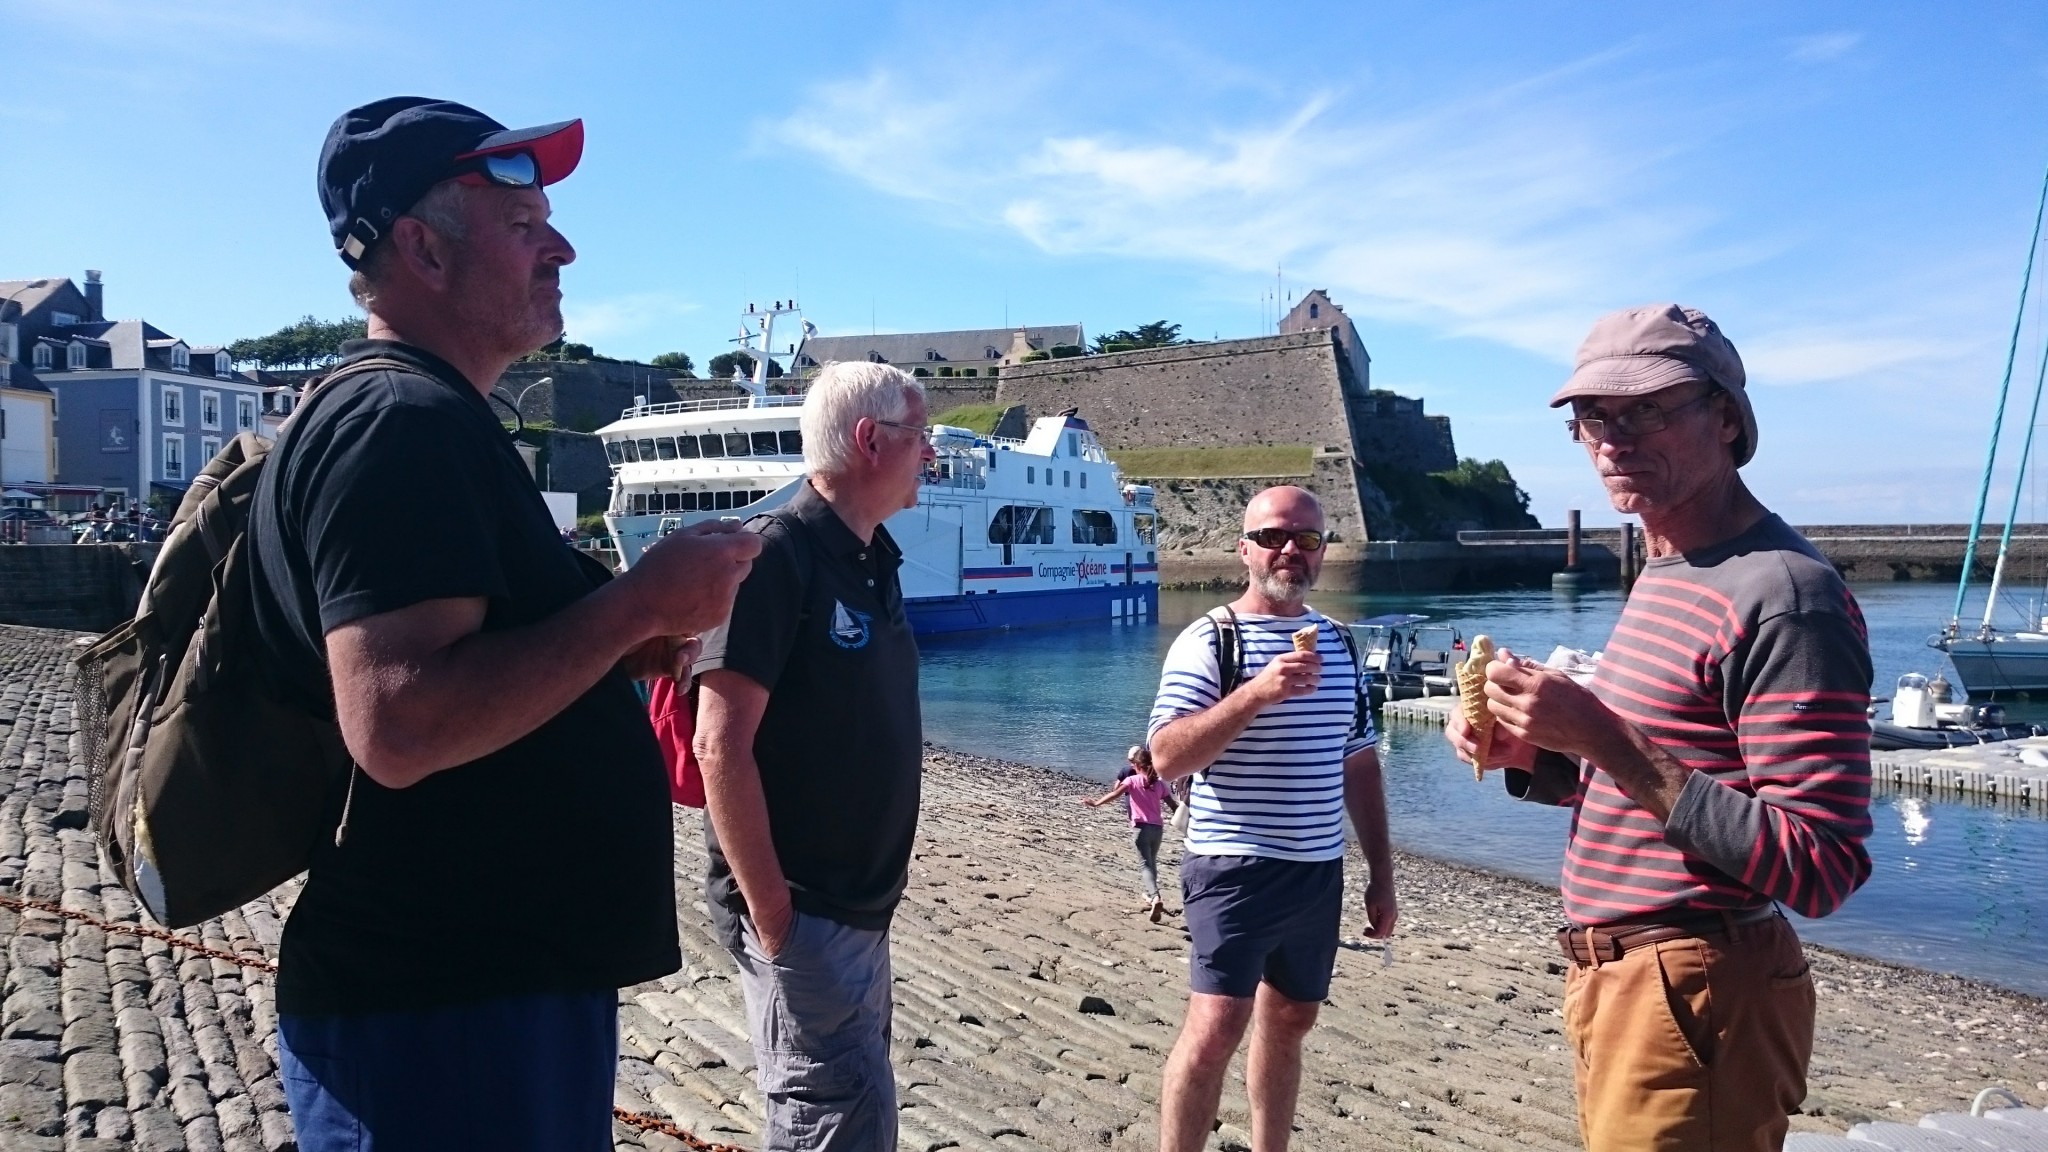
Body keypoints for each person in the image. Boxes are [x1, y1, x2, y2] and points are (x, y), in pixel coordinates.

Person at [247, 97, 761, 1152]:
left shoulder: (425, 420)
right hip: (440, 1022)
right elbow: (400, 725)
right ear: (423, 250)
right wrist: (636, 604)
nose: (561, 249)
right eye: (524, 226)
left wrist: (617, 646)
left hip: (476, 1007)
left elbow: (469, 669)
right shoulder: (399, 423)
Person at [1446, 304, 1873, 1152]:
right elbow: (1659, 781)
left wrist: (1602, 735)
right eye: (1592, 417)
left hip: (1697, 985)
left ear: (1726, 417)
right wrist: (1540, 753)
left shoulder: (1787, 597)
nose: (1612, 439)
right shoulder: (1670, 565)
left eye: (1646, 410)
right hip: (1629, 981)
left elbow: (1822, 866)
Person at [693, 360, 935, 1150]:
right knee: (831, 1124)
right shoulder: (778, 556)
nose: (930, 452)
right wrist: (777, 921)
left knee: (859, 1113)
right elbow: (717, 744)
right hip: (807, 912)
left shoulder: (872, 558)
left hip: (860, 910)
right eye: (920, 434)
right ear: (870, 439)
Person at [1146, 484, 1398, 1152]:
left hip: (1316, 871)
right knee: (1216, 1027)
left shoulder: (1339, 644)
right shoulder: (1210, 639)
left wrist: (1382, 875)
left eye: (1306, 539)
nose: (1290, 550)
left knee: (1290, 1021)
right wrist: (1256, 693)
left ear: (1322, 552)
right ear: (1244, 549)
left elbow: (1359, 764)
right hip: (1232, 865)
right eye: (1272, 537)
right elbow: (1166, 756)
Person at [1081, 744, 1175, 922]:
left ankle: (1155, 897)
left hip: (1140, 828)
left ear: (1138, 766)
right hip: (1157, 829)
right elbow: (1173, 805)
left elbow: (1115, 794)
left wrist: (1096, 803)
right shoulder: (1159, 784)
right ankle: (1151, 895)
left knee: (1145, 865)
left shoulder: (1132, 781)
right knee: (1151, 862)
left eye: (1134, 765)